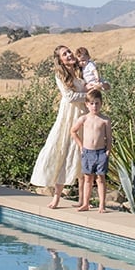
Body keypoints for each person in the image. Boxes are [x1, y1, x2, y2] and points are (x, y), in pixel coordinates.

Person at [30, 45, 88, 209]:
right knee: (63, 152)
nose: (69, 54)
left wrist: (101, 86)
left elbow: (94, 82)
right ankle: (56, 197)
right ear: (60, 60)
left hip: (84, 115)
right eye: (65, 54)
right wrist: (88, 96)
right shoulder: (60, 75)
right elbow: (70, 97)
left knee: (82, 154)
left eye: (69, 51)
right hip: (69, 116)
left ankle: (83, 200)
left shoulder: (81, 70)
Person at [70, 89, 112, 213]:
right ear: (87, 104)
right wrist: (80, 146)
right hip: (88, 152)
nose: (95, 106)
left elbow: (109, 137)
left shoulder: (105, 120)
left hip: (100, 152)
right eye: (92, 103)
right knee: (88, 178)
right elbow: (73, 131)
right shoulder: (84, 119)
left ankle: (101, 205)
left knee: (100, 179)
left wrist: (107, 151)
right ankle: (85, 203)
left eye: (97, 103)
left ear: (101, 104)